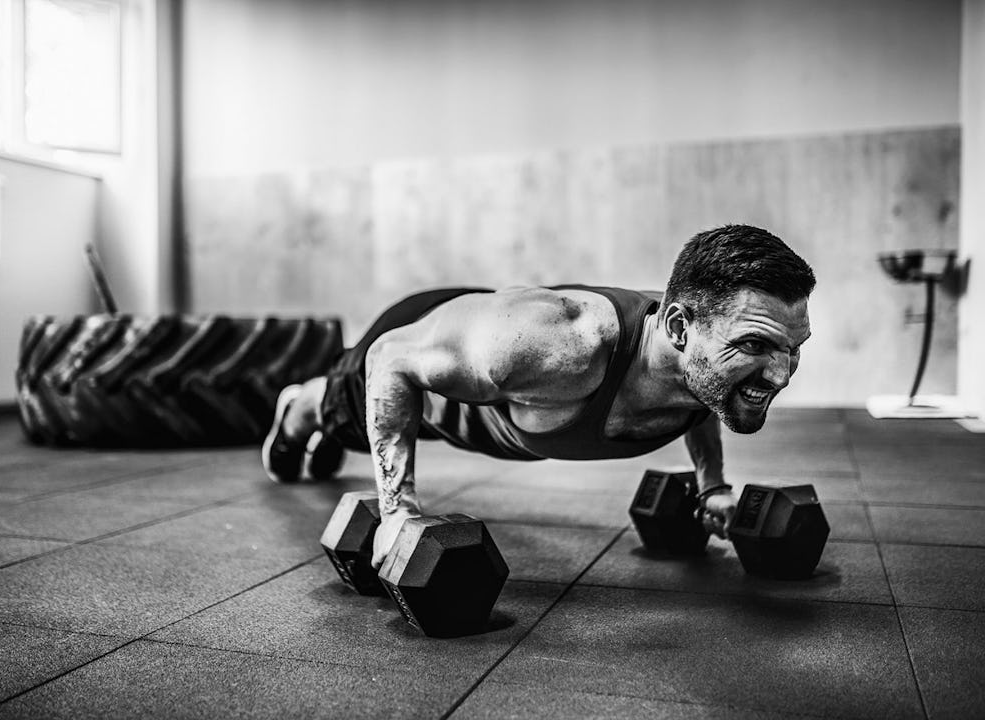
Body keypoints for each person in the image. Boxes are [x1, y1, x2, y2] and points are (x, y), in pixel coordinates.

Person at [262, 224, 815, 568]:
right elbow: (391, 359)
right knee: (340, 414)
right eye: (755, 346)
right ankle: (297, 411)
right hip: (424, 346)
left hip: (499, 373)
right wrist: (396, 512)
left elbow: (702, 398)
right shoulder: (561, 346)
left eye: (794, 348)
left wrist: (712, 485)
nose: (782, 374)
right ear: (677, 328)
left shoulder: (701, 360)